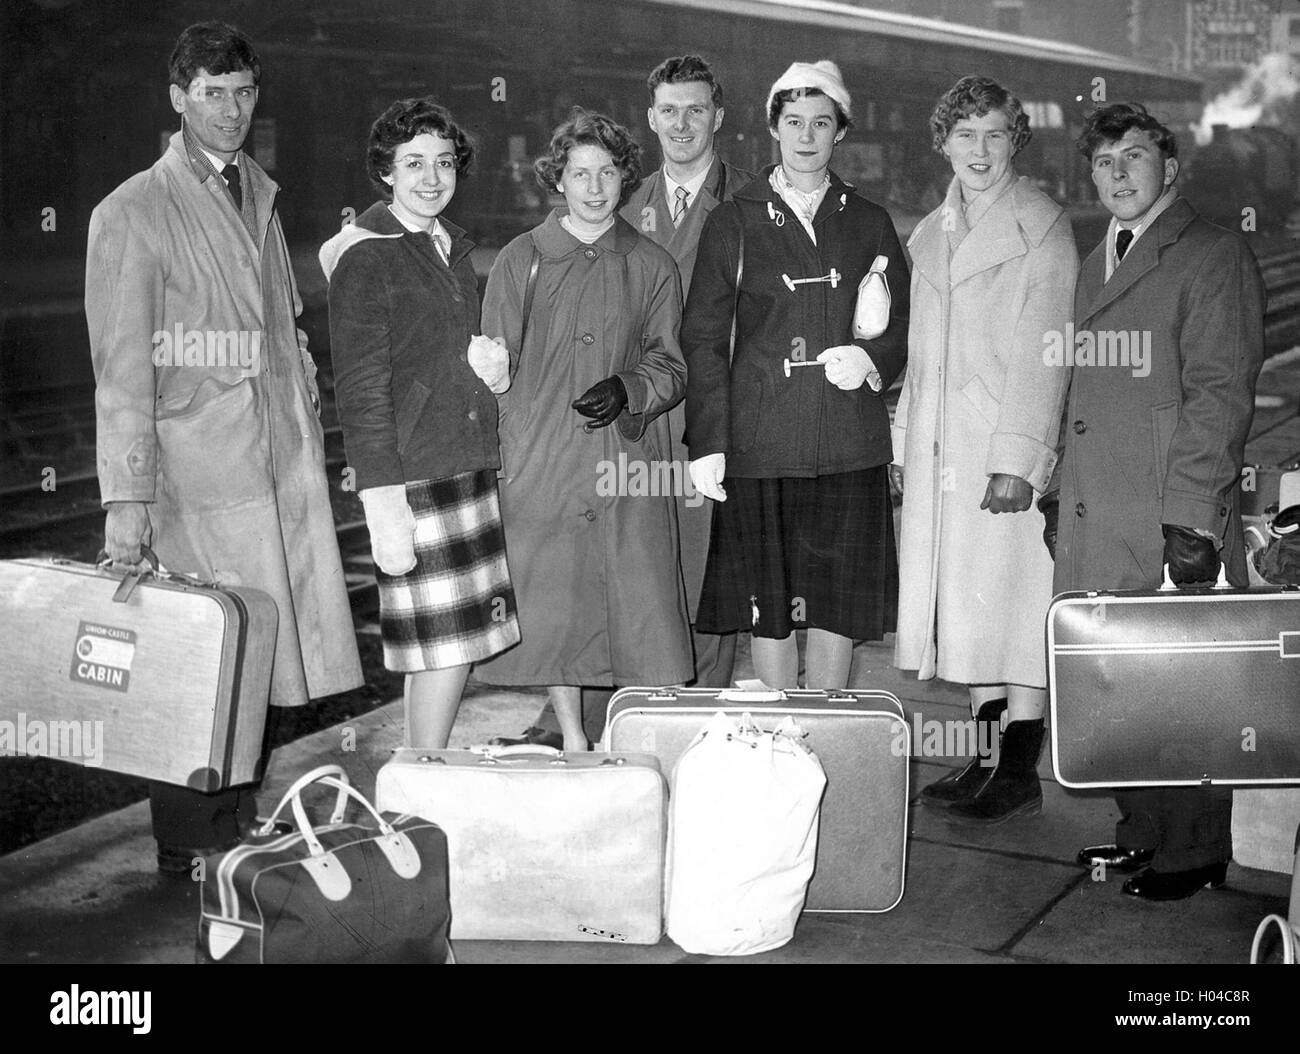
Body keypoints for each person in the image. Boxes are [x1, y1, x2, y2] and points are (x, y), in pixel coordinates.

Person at [85, 22, 361, 872]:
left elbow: (285, 323)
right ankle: (190, 842)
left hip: (272, 462)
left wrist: (306, 392)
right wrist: (127, 505)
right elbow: (122, 375)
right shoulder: (132, 210)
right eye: (213, 94)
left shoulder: (258, 195)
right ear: (178, 99)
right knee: (200, 657)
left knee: (259, 652)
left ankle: (232, 824)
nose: (232, 111)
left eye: (244, 93)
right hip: (198, 476)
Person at [495, 55, 752, 750]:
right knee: (607, 575)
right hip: (624, 436)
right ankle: (583, 719)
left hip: (705, 421)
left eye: (696, 109)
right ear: (651, 117)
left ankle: (687, 725)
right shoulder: (617, 208)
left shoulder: (750, 203)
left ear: (718, 116)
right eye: (669, 109)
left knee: (694, 583)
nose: (683, 123)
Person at [1060, 103, 1263, 900]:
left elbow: (1219, 396)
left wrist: (1193, 513)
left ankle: (1196, 848)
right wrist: (1055, 490)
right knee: (1116, 680)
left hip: (1164, 509)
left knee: (1183, 686)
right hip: (1097, 503)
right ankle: (1140, 831)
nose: (1117, 174)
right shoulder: (1096, 257)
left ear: (1170, 168)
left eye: (1134, 157)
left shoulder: (1212, 253)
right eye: (1104, 161)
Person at [682, 60, 908, 690]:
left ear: (841, 132)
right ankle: (781, 719)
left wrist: (874, 361)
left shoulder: (870, 222)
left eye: (821, 122)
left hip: (847, 442)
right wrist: (708, 440)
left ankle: (830, 714)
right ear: (773, 129)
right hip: (760, 440)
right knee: (769, 600)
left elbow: (901, 323)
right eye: (793, 122)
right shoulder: (734, 220)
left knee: (839, 597)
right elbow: (702, 336)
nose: (806, 136)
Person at [473, 109, 693, 751]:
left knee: (636, 603)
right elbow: (497, 363)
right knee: (558, 605)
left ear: (625, 178)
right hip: (543, 457)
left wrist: (631, 387)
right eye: (579, 174)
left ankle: (626, 740)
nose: (594, 187)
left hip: (624, 457)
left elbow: (672, 363)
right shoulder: (524, 258)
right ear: (558, 180)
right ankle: (570, 736)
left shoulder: (651, 263)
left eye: (606, 173)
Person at [892, 76, 1078, 824]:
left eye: (995, 134)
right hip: (941, 446)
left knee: (1013, 602)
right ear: (943, 142)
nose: (979, 149)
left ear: (1016, 143)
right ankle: (985, 757)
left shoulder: (1042, 225)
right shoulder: (930, 229)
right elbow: (916, 349)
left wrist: (1019, 459)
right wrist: (904, 440)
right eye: (965, 134)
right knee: (965, 608)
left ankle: (1020, 767)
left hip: (999, 449)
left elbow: (1047, 356)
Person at [318, 98, 520, 749]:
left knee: (451, 645)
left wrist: (489, 371)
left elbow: (437, 352)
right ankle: (421, 771)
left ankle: (421, 765)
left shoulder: (447, 246)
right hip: (416, 478)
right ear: (386, 172)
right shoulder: (368, 257)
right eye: (414, 164)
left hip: (461, 459)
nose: (431, 178)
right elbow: (361, 390)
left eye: (442, 163)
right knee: (443, 647)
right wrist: (383, 502)